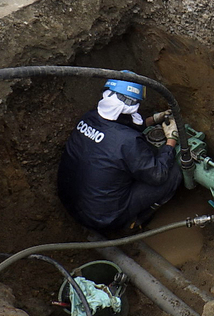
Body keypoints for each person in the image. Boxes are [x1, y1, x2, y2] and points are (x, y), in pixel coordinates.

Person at [58, 73, 182, 231]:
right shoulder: (128, 142)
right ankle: (134, 222)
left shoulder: (89, 117)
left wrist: (153, 120)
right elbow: (158, 175)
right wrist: (171, 140)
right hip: (104, 218)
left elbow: (118, 123)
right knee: (172, 173)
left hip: (71, 203)